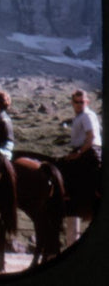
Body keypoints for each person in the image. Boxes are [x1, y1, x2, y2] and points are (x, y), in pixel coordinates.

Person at [61, 90, 102, 245]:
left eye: (82, 102)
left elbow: (90, 137)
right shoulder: (80, 116)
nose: (79, 105)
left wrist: (78, 153)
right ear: (72, 102)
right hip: (84, 150)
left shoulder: (86, 116)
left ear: (87, 102)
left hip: (89, 152)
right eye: (76, 102)